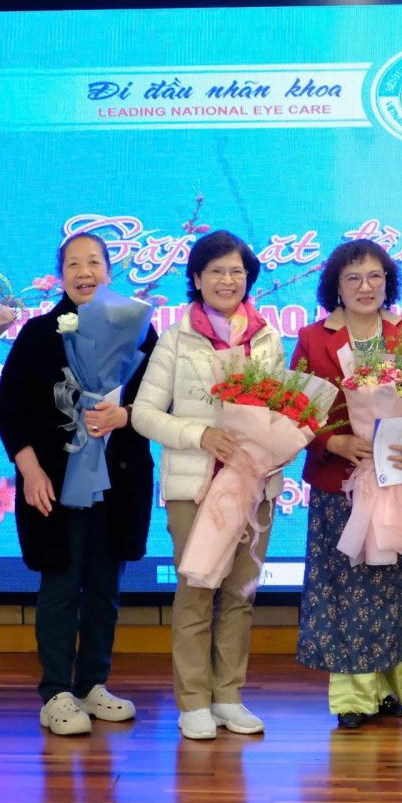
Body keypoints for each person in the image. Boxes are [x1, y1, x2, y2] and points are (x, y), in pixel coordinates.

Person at [0, 233, 155, 736]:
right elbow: (9, 408)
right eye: (73, 264)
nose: (84, 272)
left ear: (109, 270)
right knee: (61, 584)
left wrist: (125, 415)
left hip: (119, 481)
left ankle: (92, 684)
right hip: (55, 482)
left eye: (94, 263)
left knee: (105, 587)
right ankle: (55, 692)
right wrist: (30, 469)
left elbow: (160, 402)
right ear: (60, 275)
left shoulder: (140, 331)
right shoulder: (39, 333)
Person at [131, 230, 285, 740]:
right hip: (194, 487)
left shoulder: (267, 337)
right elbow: (143, 414)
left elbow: (284, 408)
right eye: (216, 271)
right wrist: (201, 435)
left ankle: (228, 697)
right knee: (197, 591)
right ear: (196, 279)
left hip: (254, 485)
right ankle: (194, 700)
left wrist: (278, 441)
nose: (227, 280)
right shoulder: (176, 339)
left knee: (240, 594)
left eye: (236, 271)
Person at [291, 239, 402, 730]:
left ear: (388, 282)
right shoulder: (313, 338)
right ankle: (352, 698)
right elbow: (295, 410)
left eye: (375, 276)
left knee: (392, 585)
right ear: (336, 286)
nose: (365, 286)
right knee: (348, 588)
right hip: (341, 484)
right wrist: (331, 443)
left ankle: (388, 690)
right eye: (353, 277)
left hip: (398, 481)